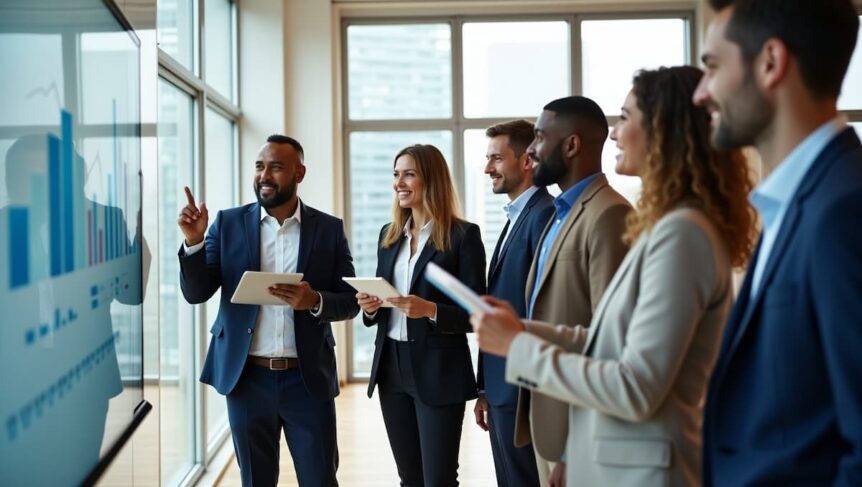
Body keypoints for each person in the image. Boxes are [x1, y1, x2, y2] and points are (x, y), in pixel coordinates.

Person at [472, 65, 757, 486]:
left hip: (643, 469)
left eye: (625, 118)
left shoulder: (682, 234)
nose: (614, 134)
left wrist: (516, 346)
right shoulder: (667, 224)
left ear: (665, 130)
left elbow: (636, 384)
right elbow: (607, 340)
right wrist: (520, 329)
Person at [693, 1, 862, 485]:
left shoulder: (843, 211)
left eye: (713, 68)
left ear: (770, 62)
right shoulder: (797, 201)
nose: (702, 94)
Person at [178, 134, 360, 486]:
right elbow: (197, 292)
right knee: (256, 481)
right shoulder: (227, 224)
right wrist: (194, 241)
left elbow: (350, 300)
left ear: (299, 173)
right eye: (260, 166)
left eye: (276, 167)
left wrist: (315, 302)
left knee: (320, 478)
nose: (264, 175)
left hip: (307, 380)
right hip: (247, 379)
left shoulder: (327, 229)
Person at [1, 134, 147, 485]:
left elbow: (129, 295)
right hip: (13, 386)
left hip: (84, 382)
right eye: (28, 177)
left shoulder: (105, 219)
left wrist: (138, 249)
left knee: (76, 475)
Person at [514, 96, 631, 484]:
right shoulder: (560, 213)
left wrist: (573, 448)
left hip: (577, 431)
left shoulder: (608, 214)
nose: (530, 150)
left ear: (571, 145)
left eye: (538, 137)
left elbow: (608, 342)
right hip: (550, 418)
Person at [356, 144, 486, 486]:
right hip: (391, 369)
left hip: (439, 371)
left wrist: (430, 310)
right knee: (409, 477)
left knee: (439, 479)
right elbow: (381, 302)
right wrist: (371, 307)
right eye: (396, 174)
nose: (399, 182)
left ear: (432, 180)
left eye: (409, 174)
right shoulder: (389, 235)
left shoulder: (462, 236)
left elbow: (478, 314)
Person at [473, 119, 553, 487]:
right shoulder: (514, 218)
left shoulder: (545, 215)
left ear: (526, 162)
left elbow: (543, 306)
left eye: (496, 158)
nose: (488, 167)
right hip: (503, 385)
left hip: (525, 389)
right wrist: (486, 389)